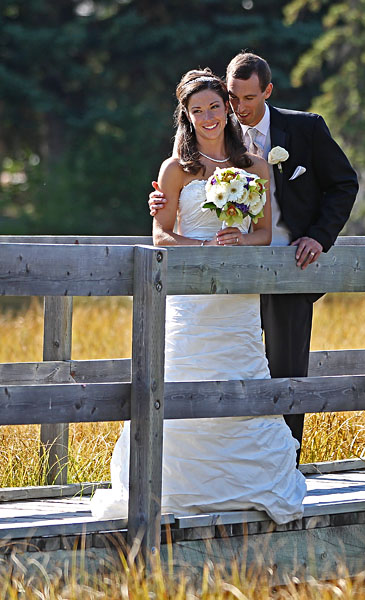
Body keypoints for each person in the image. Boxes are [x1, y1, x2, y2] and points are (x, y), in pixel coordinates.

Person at [92, 69, 306, 524]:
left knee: (243, 376)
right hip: (192, 298)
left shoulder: (254, 166)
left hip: (238, 302)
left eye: (214, 107)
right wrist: (206, 247)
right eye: (197, 111)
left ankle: (247, 486)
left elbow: (266, 233)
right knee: (182, 378)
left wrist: (237, 240)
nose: (207, 117)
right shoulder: (175, 170)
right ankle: (169, 486)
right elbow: (161, 236)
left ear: (227, 108)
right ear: (186, 118)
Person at [149, 53, 359, 462]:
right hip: (214, 284)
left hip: (286, 267)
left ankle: (283, 463)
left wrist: (318, 238)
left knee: (284, 371)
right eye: (233, 97)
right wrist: (161, 201)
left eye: (247, 98)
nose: (238, 107)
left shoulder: (303, 130)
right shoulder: (200, 139)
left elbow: (343, 184)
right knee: (219, 368)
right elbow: (175, 199)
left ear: (267, 90)